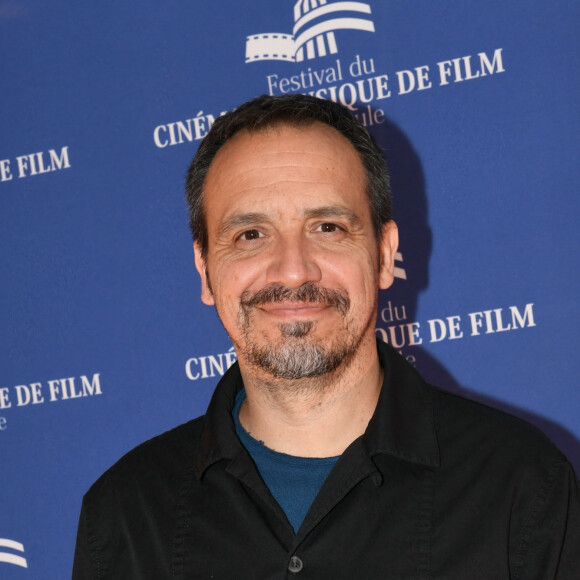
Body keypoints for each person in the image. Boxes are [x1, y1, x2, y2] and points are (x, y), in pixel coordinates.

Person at [73, 94, 579, 579]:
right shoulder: (125, 514)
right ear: (205, 271)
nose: (293, 271)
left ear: (384, 255)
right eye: (251, 234)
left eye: (328, 227)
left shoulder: (522, 485)